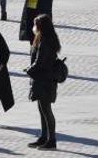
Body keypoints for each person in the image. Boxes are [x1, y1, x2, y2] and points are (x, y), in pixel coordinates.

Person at [26, 14, 60, 149]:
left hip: (44, 80)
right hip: (42, 78)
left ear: (41, 27)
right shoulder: (44, 38)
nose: (34, 28)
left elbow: (39, 62)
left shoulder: (46, 41)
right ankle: (44, 136)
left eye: (36, 25)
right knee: (42, 108)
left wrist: (29, 69)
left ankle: (52, 140)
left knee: (46, 109)